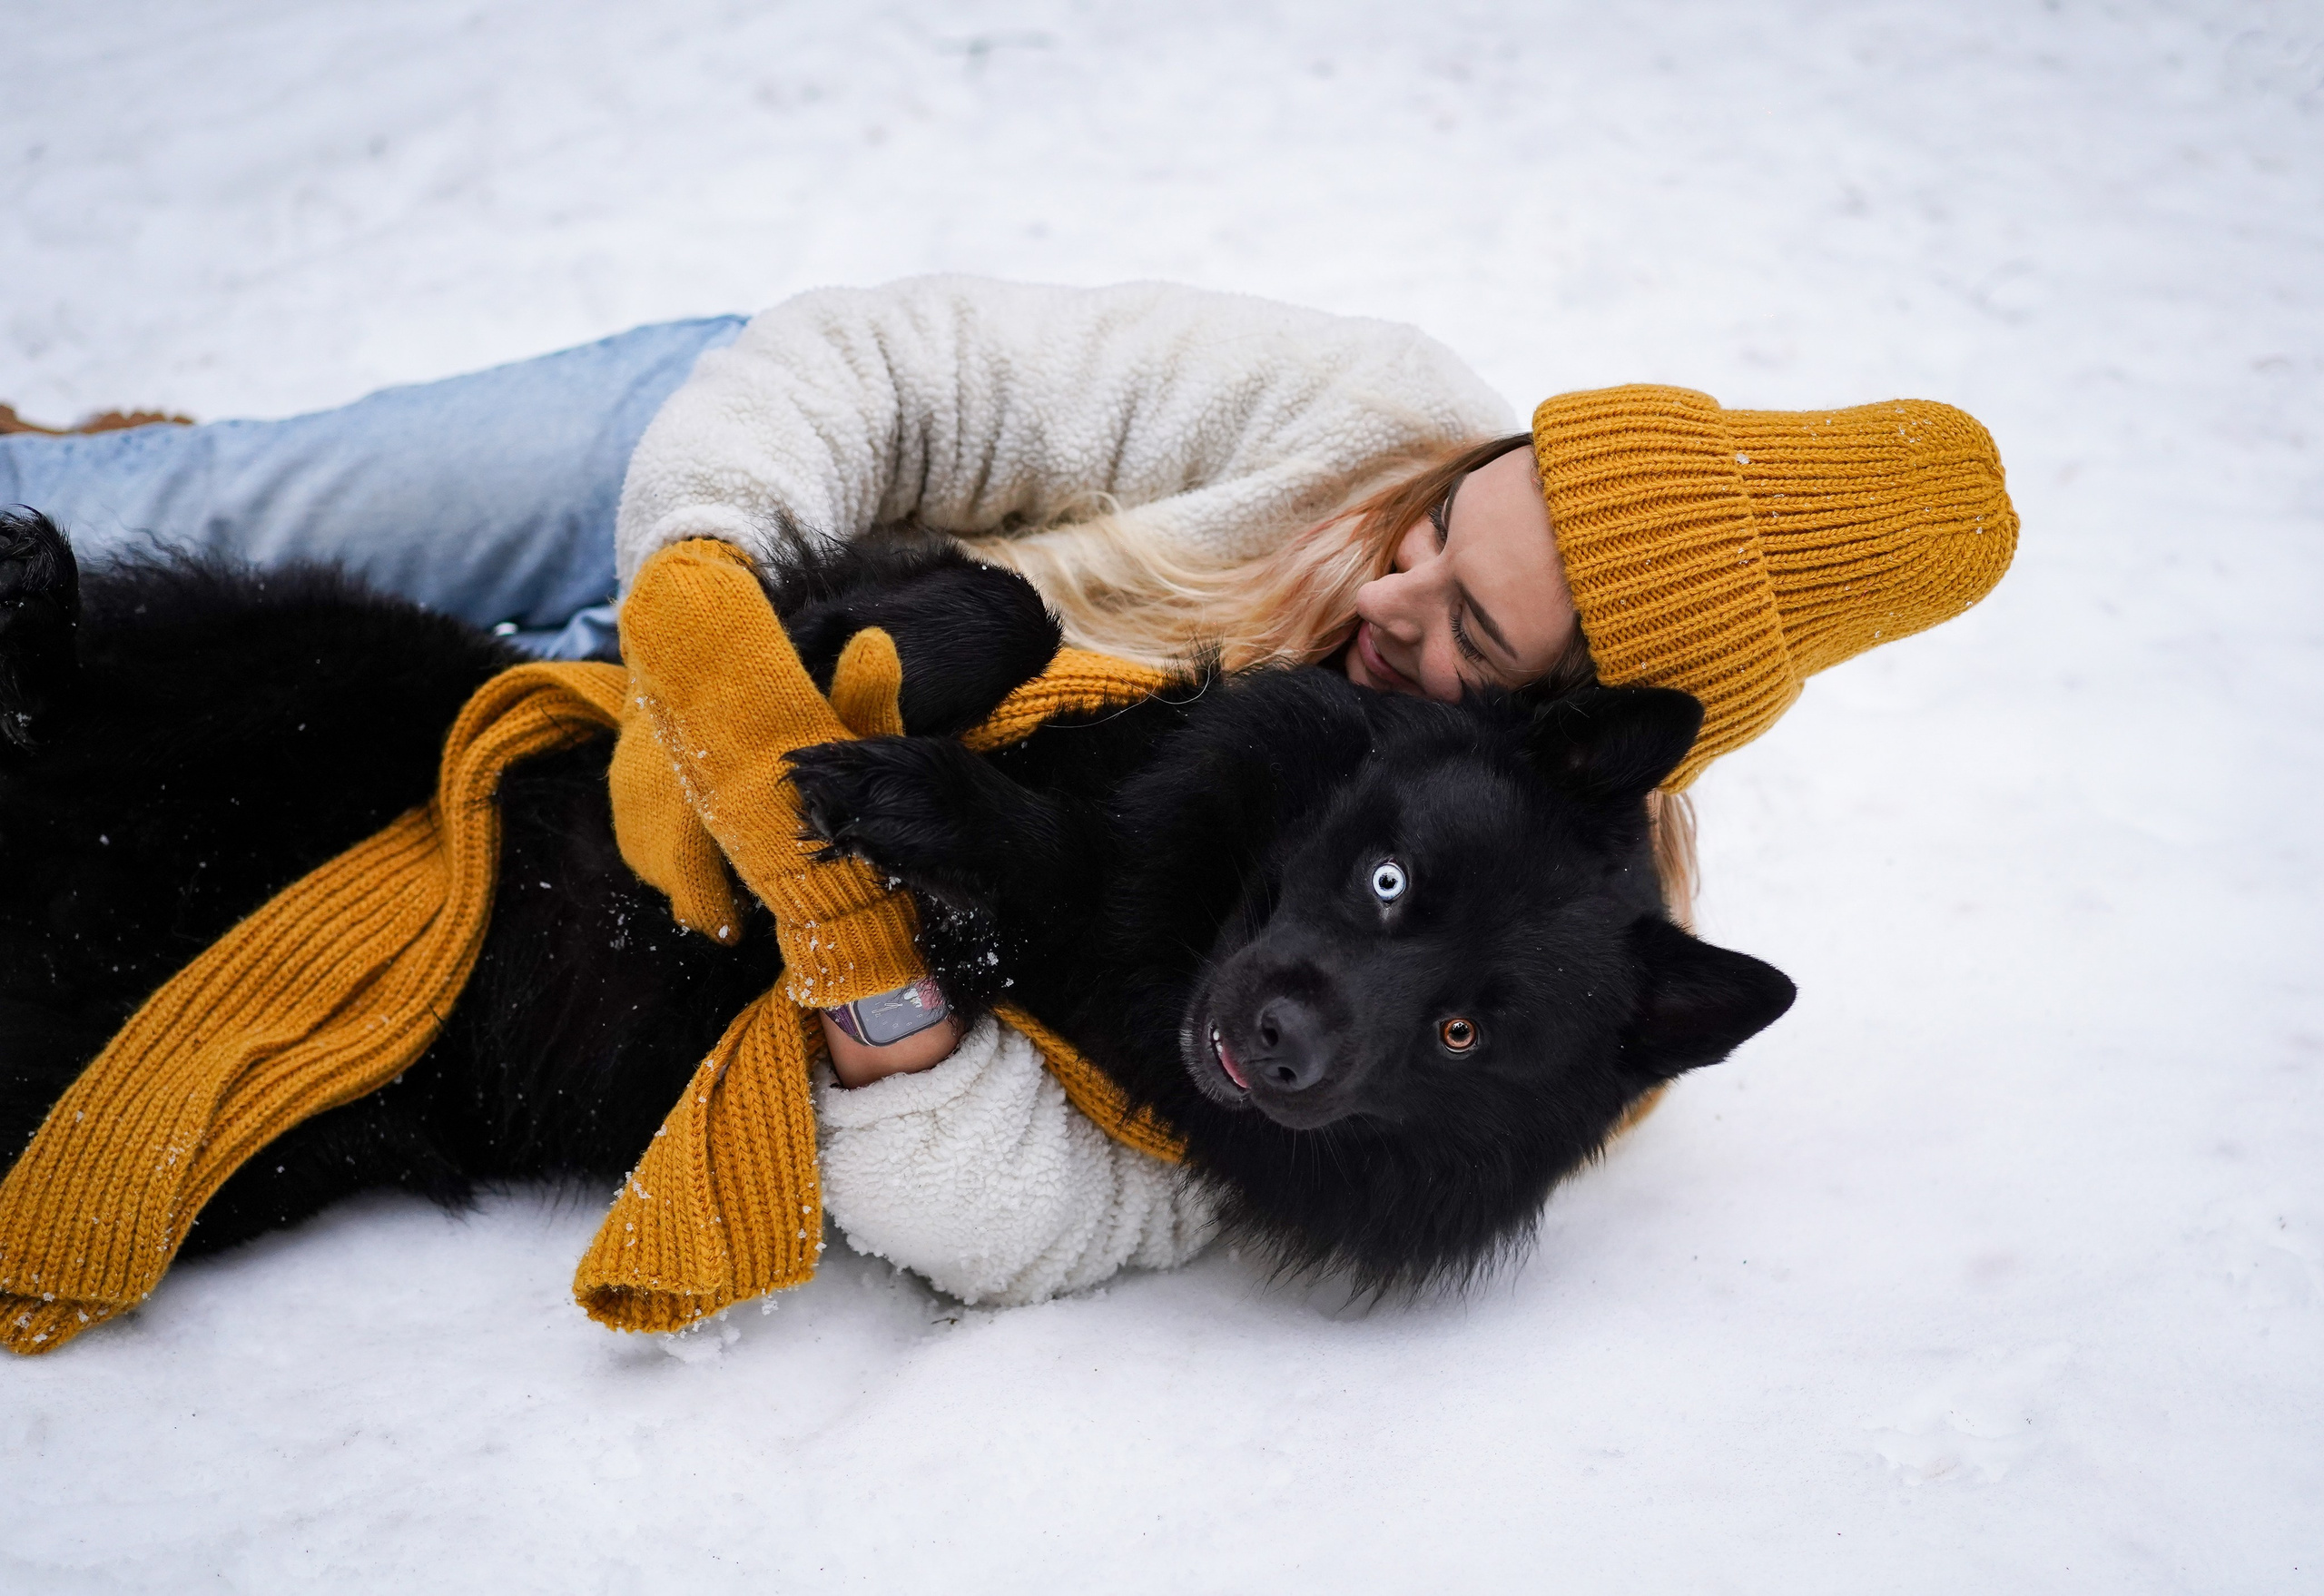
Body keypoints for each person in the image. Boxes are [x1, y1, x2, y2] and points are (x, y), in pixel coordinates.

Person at [0, 276, 2017, 1304]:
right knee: (144, 514)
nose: (1395, 589)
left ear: (1564, 735)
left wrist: (864, 954)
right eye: (1439, 529)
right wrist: (699, 570)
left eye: (1469, 636)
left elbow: (1030, 1214)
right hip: (758, 496)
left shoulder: (1486, 942)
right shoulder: (1359, 414)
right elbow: (908, 373)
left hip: (661, 805)